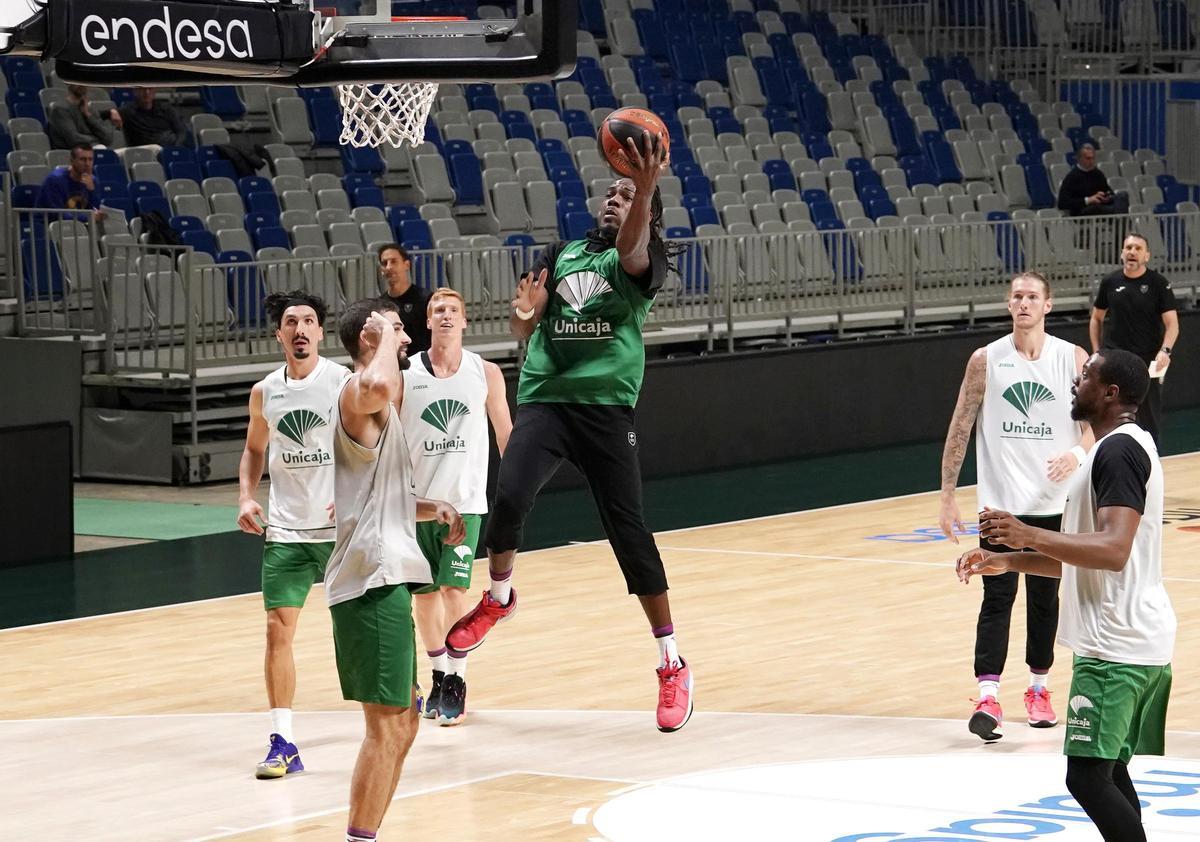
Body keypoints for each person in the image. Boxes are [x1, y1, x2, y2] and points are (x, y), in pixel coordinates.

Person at [445, 131, 696, 733]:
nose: (616, 198)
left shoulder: (641, 261)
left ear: (646, 212)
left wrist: (647, 184)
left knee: (627, 531)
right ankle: (500, 596)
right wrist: (524, 315)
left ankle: (671, 661)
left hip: (605, 409)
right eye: (611, 192)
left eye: (627, 195)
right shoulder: (563, 254)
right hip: (546, 400)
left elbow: (634, 243)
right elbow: (522, 328)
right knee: (508, 495)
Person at [958, 348, 1174, 842]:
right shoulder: (1126, 445)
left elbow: (1113, 549)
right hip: (1133, 640)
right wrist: (1011, 559)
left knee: (1085, 777)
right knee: (1110, 774)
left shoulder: (1118, 451)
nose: (1075, 384)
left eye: (1086, 377)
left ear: (1111, 393)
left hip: (1115, 647)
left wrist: (1028, 534)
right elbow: (1085, 554)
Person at [328, 296, 465, 842]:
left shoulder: (379, 411)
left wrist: (433, 507)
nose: (407, 339)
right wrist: (384, 331)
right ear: (371, 335)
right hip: (370, 580)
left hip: (386, 576)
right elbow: (381, 384)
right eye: (398, 330)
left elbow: (380, 496)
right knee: (386, 727)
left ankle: (368, 834)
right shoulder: (359, 395)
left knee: (405, 723)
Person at [939, 271, 1093, 742]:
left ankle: (1039, 688)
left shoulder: (1074, 359)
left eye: (1032, 297)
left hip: (1054, 504)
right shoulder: (987, 360)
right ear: (1009, 305)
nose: (1024, 303)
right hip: (1001, 504)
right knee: (997, 596)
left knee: (1046, 599)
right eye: (1017, 297)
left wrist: (1076, 453)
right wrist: (947, 493)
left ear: (1048, 305)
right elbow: (961, 425)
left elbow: (1095, 425)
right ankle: (988, 695)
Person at [236, 291, 348, 779]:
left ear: (320, 333)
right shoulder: (265, 391)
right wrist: (245, 495)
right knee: (276, 631)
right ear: (279, 335)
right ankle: (283, 741)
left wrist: (354, 494)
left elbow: (376, 442)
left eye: (308, 321)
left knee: (358, 627)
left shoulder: (343, 383)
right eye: (290, 322)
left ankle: (401, 688)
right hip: (285, 529)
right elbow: (253, 450)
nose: (299, 328)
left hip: (341, 530)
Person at [398, 287, 513, 726]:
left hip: (464, 504)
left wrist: (515, 492)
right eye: (437, 310)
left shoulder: (485, 372)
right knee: (424, 598)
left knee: (453, 590)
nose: (445, 315)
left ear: (465, 321)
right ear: (426, 323)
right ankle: (439, 672)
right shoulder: (406, 374)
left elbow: (506, 435)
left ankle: (457, 678)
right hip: (418, 505)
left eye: (453, 311)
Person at [1089, 233, 1179, 446]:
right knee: (1111, 410)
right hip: (1115, 359)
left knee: (1148, 415)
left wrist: (1165, 350)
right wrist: (1097, 351)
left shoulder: (1158, 283)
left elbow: (1172, 324)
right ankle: (1107, 455)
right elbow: (1096, 318)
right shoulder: (1110, 281)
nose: (1132, 252)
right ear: (1122, 253)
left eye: (1138, 248)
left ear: (1146, 256)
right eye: (1128, 247)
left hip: (1147, 361)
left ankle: (1150, 460)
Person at [378, 244, 432, 353]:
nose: (388, 267)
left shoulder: (426, 298)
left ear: (406, 265)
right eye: (384, 263)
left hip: (423, 365)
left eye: (394, 261)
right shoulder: (380, 305)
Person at [1056, 143, 1129, 217]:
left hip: (1102, 206)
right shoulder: (1071, 177)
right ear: (1079, 159)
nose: (1091, 161)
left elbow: (1108, 191)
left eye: (1093, 158)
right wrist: (1088, 200)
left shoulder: (1097, 173)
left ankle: (1119, 218)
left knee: (1122, 195)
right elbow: (1062, 203)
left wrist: (1106, 197)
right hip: (1083, 210)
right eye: (1088, 158)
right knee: (1097, 207)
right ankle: (1120, 220)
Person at [35, 143, 104, 221]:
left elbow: (95, 210)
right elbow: (58, 214)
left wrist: (91, 190)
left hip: (78, 226)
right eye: (83, 159)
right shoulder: (55, 180)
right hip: (51, 226)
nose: (87, 164)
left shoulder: (92, 181)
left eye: (90, 159)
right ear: (72, 161)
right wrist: (88, 217)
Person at [47, 85, 121, 150]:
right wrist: (96, 141)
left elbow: (107, 138)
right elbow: (74, 138)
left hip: (92, 149)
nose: (80, 84)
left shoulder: (89, 109)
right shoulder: (60, 109)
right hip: (72, 154)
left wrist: (88, 115)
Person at [118, 87, 188, 148]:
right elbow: (110, 114)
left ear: (155, 91)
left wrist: (176, 148)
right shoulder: (127, 112)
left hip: (169, 150)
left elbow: (181, 132)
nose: (147, 92)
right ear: (135, 91)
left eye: (150, 89)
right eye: (143, 89)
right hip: (145, 154)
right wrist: (112, 112)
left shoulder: (167, 110)